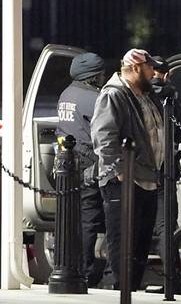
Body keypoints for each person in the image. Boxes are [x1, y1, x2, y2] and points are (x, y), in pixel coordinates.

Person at [91, 48, 165, 290]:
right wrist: (120, 172)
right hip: (125, 180)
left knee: (141, 241)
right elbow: (104, 136)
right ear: (135, 68)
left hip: (148, 177)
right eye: (148, 67)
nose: (153, 72)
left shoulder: (145, 94)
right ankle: (121, 289)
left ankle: (131, 288)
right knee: (123, 241)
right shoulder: (114, 94)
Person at [56, 52, 107, 287]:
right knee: (89, 219)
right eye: (101, 74)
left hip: (66, 163)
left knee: (68, 218)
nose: (103, 77)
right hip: (88, 163)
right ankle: (85, 271)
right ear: (93, 76)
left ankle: (66, 263)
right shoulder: (95, 98)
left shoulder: (66, 94)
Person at [146, 55, 181, 294]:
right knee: (166, 225)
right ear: (165, 73)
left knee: (137, 222)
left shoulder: (137, 93)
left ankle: (124, 276)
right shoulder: (171, 94)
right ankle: (171, 279)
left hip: (141, 167)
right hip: (166, 168)